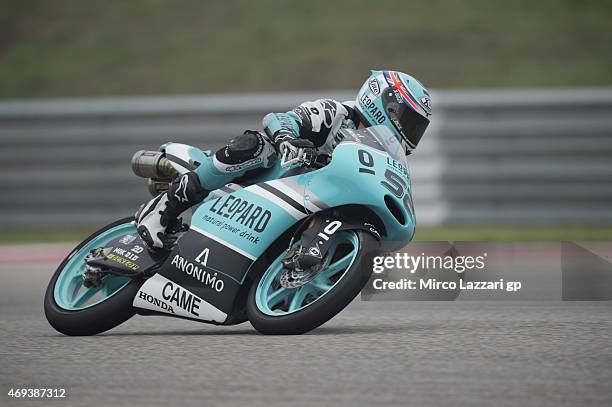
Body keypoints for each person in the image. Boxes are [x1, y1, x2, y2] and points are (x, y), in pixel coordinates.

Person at [136, 70, 432, 250]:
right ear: (385, 103)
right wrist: (287, 140)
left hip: (304, 203)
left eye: (417, 127)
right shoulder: (334, 113)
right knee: (256, 145)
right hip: (264, 179)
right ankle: (165, 207)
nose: (411, 132)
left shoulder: (381, 154)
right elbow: (278, 119)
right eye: (408, 120)